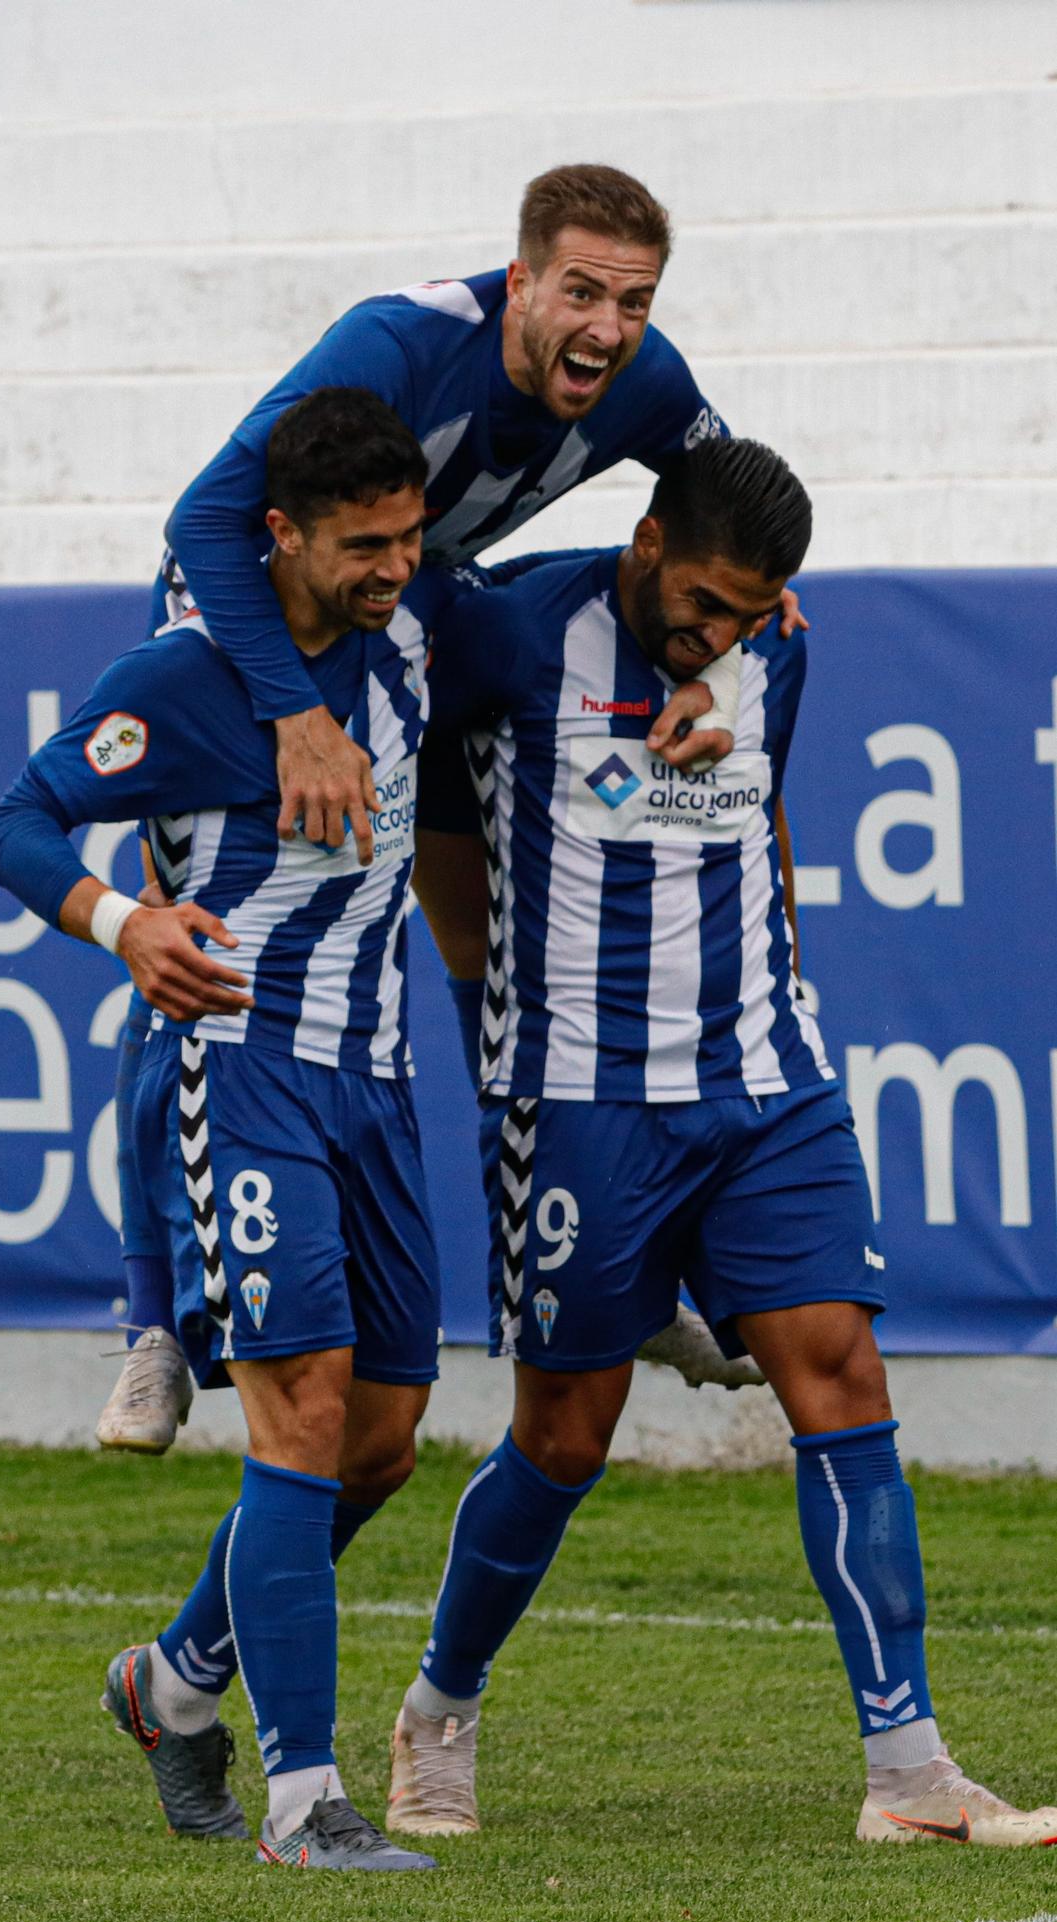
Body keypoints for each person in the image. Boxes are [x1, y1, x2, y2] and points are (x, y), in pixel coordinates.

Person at [384, 437, 1057, 1851]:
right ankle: (438, 1710)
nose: (724, 630)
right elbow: (441, 835)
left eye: (752, 610)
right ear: (642, 542)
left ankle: (908, 1768)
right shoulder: (508, 630)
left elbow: (763, 824)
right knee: (564, 1435)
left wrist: (785, 991)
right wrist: (497, 1028)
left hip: (767, 1079)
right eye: (705, 599)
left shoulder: (773, 651)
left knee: (842, 1377)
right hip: (579, 1100)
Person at [102, 162, 785, 1450]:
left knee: (493, 936)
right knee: (194, 939)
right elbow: (204, 518)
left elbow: (729, 530)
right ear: (520, 280)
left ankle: (593, 1259)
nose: (606, 327)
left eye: (632, 301)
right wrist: (295, 716)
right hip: (255, 616)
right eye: (580, 291)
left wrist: (733, 679)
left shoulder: (654, 383)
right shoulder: (400, 345)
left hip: (420, 613)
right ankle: (150, 1324)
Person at [0, 389, 470, 1870]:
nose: (395, 567)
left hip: (374, 1081)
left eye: (408, 538)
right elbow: (11, 822)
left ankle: (174, 1679)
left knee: (380, 1444)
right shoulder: (188, 677)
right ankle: (306, 1801)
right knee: (300, 1413)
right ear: (281, 536)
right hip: (241, 1071)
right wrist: (125, 923)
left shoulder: (411, 631)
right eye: (363, 545)